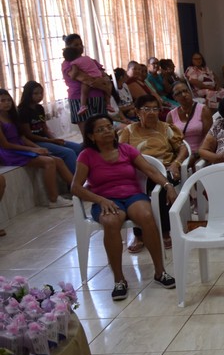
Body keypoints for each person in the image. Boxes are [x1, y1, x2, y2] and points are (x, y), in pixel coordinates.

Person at [71, 114, 176, 300]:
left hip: (132, 196)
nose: (106, 132)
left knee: (146, 216)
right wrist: (100, 200)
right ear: (91, 136)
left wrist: (168, 186)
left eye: (108, 127)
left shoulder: (126, 150)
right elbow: (76, 187)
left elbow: (151, 171)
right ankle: (119, 280)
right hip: (105, 200)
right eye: (100, 129)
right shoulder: (86, 155)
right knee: (111, 222)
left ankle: (160, 272)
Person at [119, 94, 189, 250]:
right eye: (146, 109)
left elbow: (183, 148)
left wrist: (176, 163)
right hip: (137, 173)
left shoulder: (166, 128)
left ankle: (165, 232)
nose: (151, 112)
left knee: (160, 187)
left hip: (165, 169)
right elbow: (120, 153)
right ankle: (139, 235)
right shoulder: (129, 131)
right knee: (133, 190)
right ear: (137, 112)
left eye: (155, 109)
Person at [0, 89, 73, 208]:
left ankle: (78, 190)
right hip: (9, 152)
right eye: (2, 101)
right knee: (49, 162)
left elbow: (22, 138)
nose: (7, 103)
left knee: (58, 160)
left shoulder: (12, 116)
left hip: (20, 147)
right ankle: (54, 200)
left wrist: (38, 147)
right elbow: (5, 145)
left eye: (8, 100)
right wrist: (32, 150)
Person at [17, 81, 82, 175]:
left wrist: (54, 139)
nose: (39, 96)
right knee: (69, 153)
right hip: (34, 142)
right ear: (28, 94)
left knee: (79, 147)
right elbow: (28, 135)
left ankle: (88, 178)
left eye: (41, 93)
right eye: (36, 93)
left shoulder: (39, 108)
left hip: (46, 139)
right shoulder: (22, 111)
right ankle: (77, 184)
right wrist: (51, 141)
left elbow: (44, 128)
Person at [61, 34, 108, 132]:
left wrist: (105, 84)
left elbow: (105, 77)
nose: (79, 47)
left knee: (103, 130)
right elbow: (86, 80)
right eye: (76, 45)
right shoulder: (67, 64)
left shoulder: (89, 60)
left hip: (98, 96)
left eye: (81, 44)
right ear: (68, 47)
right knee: (88, 133)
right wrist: (105, 87)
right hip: (79, 99)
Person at [166, 81, 212, 159]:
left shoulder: (203, 110)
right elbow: (170, 140)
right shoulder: (171, 115)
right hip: (180, 155)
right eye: (179, 93)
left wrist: (197, 154)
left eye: (185, 91)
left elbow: (208, 137)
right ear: (174, 98)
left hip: (200, 153)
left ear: (190, 91)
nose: (183, 95)